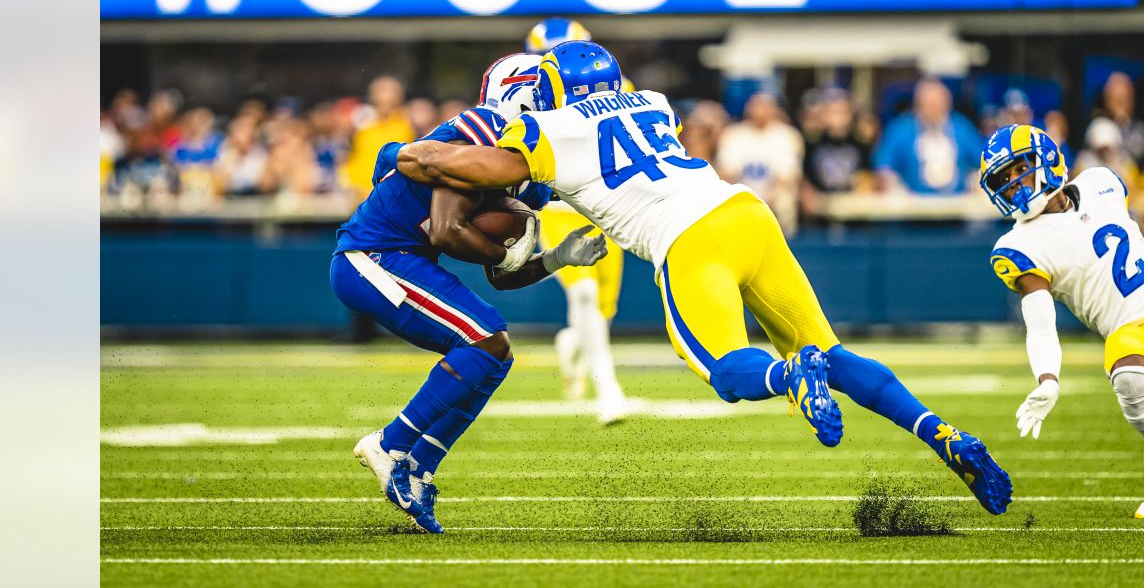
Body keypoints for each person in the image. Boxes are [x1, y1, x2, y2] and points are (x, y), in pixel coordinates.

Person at [396, 40, 1013, 516]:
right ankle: (943, 434)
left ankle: (790, 379)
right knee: (833, 352)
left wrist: (419, 152)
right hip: (746, 214)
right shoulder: (653, 104)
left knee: (727, 371)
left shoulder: (551, 130)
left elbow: (472, 165)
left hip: (689, 241)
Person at [335, 53, 608, 534]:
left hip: (403, 259)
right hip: (373, 257)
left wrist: (557, 258)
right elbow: (445, 229)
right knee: (483, 338)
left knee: (495, 351)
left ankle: (418, 469)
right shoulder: (484, 129)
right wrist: (506, 252)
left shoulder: (531, 171)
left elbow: (502, 275)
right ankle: (391, 443)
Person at [980, 124, 1144, 519]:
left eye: (1018, 169)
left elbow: (1135, 240)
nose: (1014, 185)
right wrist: (1047, 379)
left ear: (1047, 159)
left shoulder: (1100, 182)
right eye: (1002, 180)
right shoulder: (1018, 246)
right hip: (1131, 331)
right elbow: (1039, 323)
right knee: (1126, 374)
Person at [525, 18, 629, 424]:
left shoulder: (624, 91)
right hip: (560, 209)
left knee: (600, 311)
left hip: (606, 208)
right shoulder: (526, 101)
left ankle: (572, 341)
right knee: (583, 296)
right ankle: (609, 390)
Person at [874, 78, 985, 195]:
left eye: (937, 104)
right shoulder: (900, 129)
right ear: (917, 105)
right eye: (928, 104)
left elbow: (982, 160)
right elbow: (884, 165)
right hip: (913, 203)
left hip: (958, 200)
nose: (933, 110)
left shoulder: (962, 128)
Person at [716, 92, 805, 235]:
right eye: (756, 107)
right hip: (741, 196)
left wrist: (763, 201)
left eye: (765, 107)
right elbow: (725, 174)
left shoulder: (787, 135)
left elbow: (788, 177)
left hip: (773, 197)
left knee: (784, 199)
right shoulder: (733, 134)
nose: (760, 112)